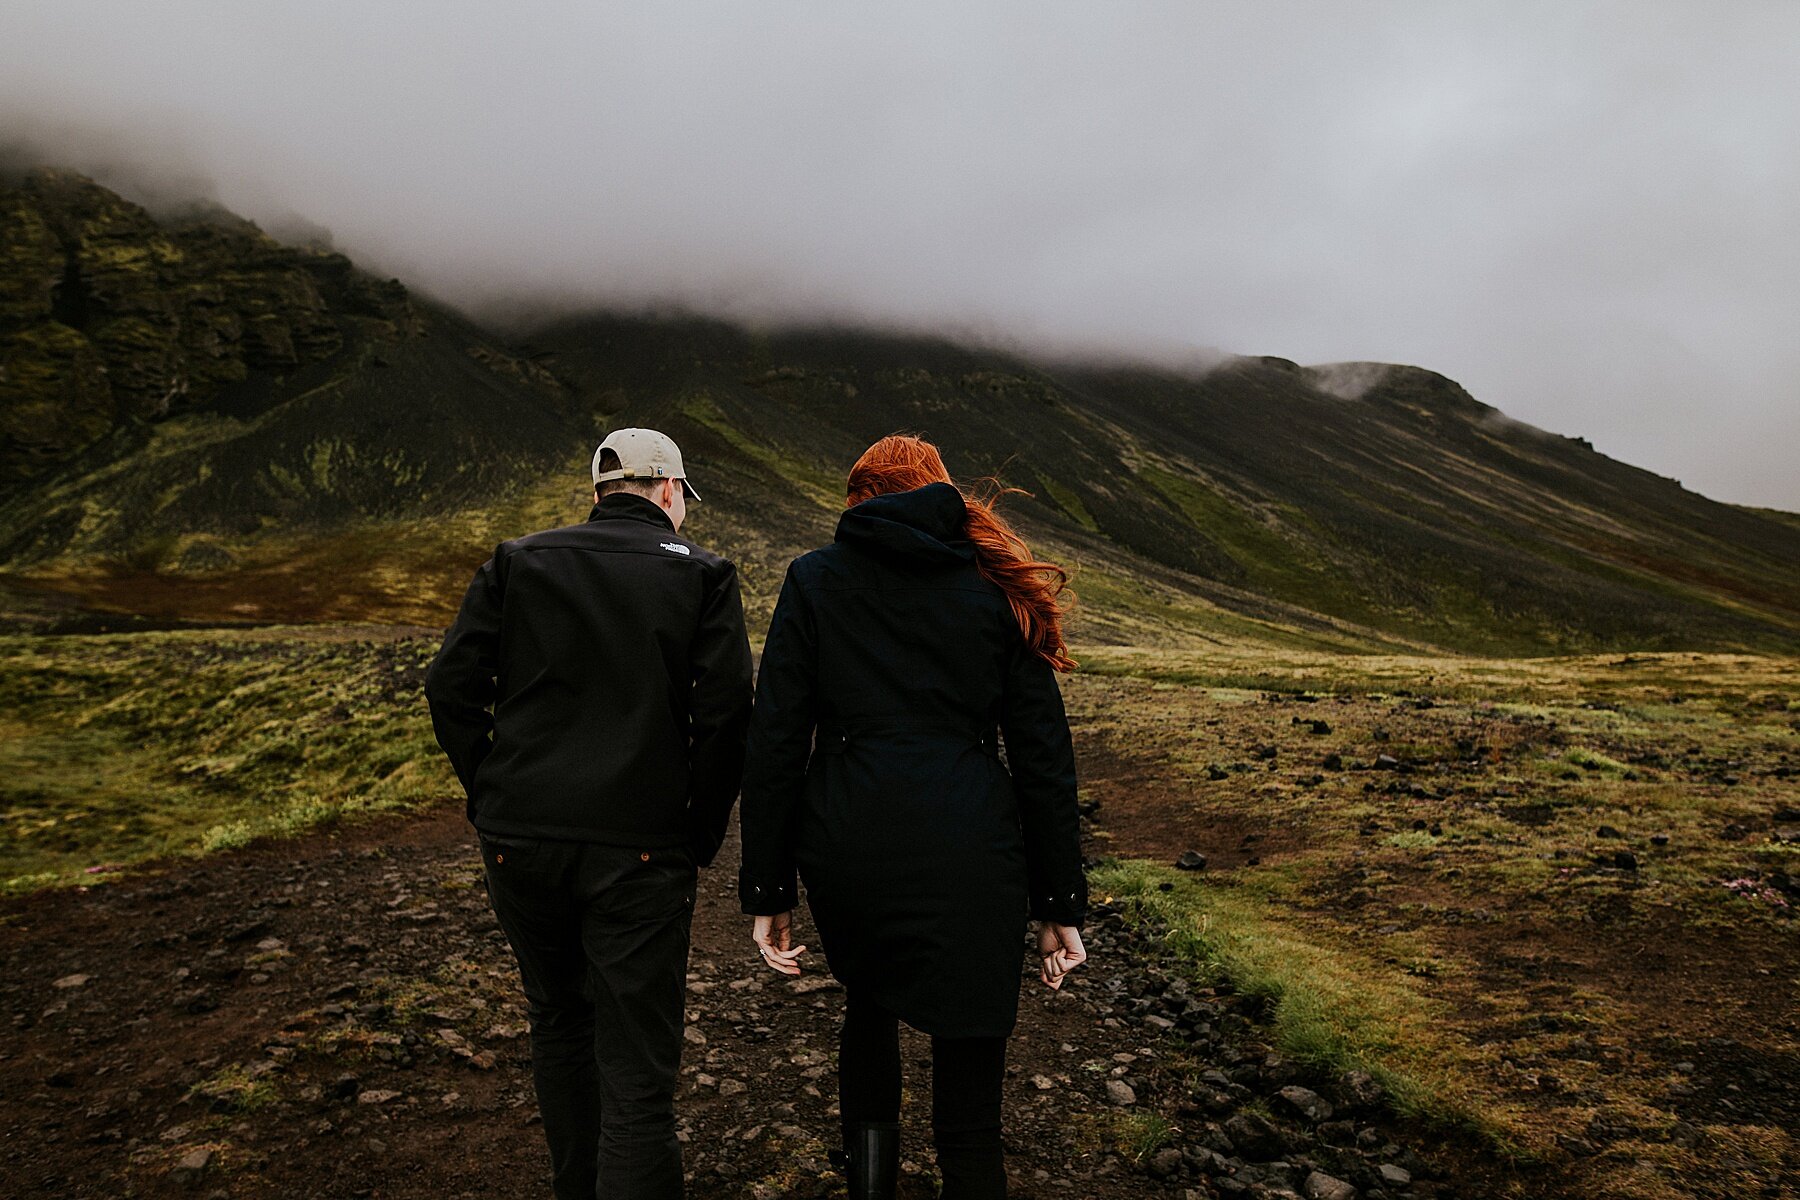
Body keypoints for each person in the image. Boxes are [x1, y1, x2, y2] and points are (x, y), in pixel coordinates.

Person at [737, 434, 1089, 1200]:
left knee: (870, 1000)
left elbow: (775, 738)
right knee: (970, 1057)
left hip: (848, 839)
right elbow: (1042, 758)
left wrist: (768, 889)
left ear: (858, 499)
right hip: (973, 844)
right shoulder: (994, 585)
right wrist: (1059, 903)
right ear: (938, 492)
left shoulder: (814, 579)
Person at [425, 427, 753, 1200]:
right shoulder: (703, 574)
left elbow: (450, 688)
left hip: (520, 838)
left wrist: (494, 793)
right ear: (670, 492)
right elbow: (730, 715)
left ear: (600, 491)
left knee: (560, 1021)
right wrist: (697, 831)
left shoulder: (518, 560)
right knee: (638, 1067)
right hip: (640, 848)